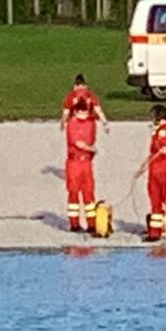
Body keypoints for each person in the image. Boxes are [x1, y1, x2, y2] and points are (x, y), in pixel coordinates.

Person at [136, 105, 166, 242]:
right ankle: (154, 233)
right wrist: (144, 165)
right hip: (154, 170)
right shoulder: (156, 132)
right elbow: (153, 152)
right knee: (154, 200)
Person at [65, 98, 97, 233]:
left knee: (89, 192)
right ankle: (74, 224)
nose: (84, 115)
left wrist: (91, 150)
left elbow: (92, 139)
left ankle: (91, 224)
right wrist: (90, 148)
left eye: (86, 112)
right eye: (81, 112)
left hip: (86, 162)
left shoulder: (91, 124)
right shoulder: (72, 123)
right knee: (73, 192)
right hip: (74, 161)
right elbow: (76, 142)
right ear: (76, 112)